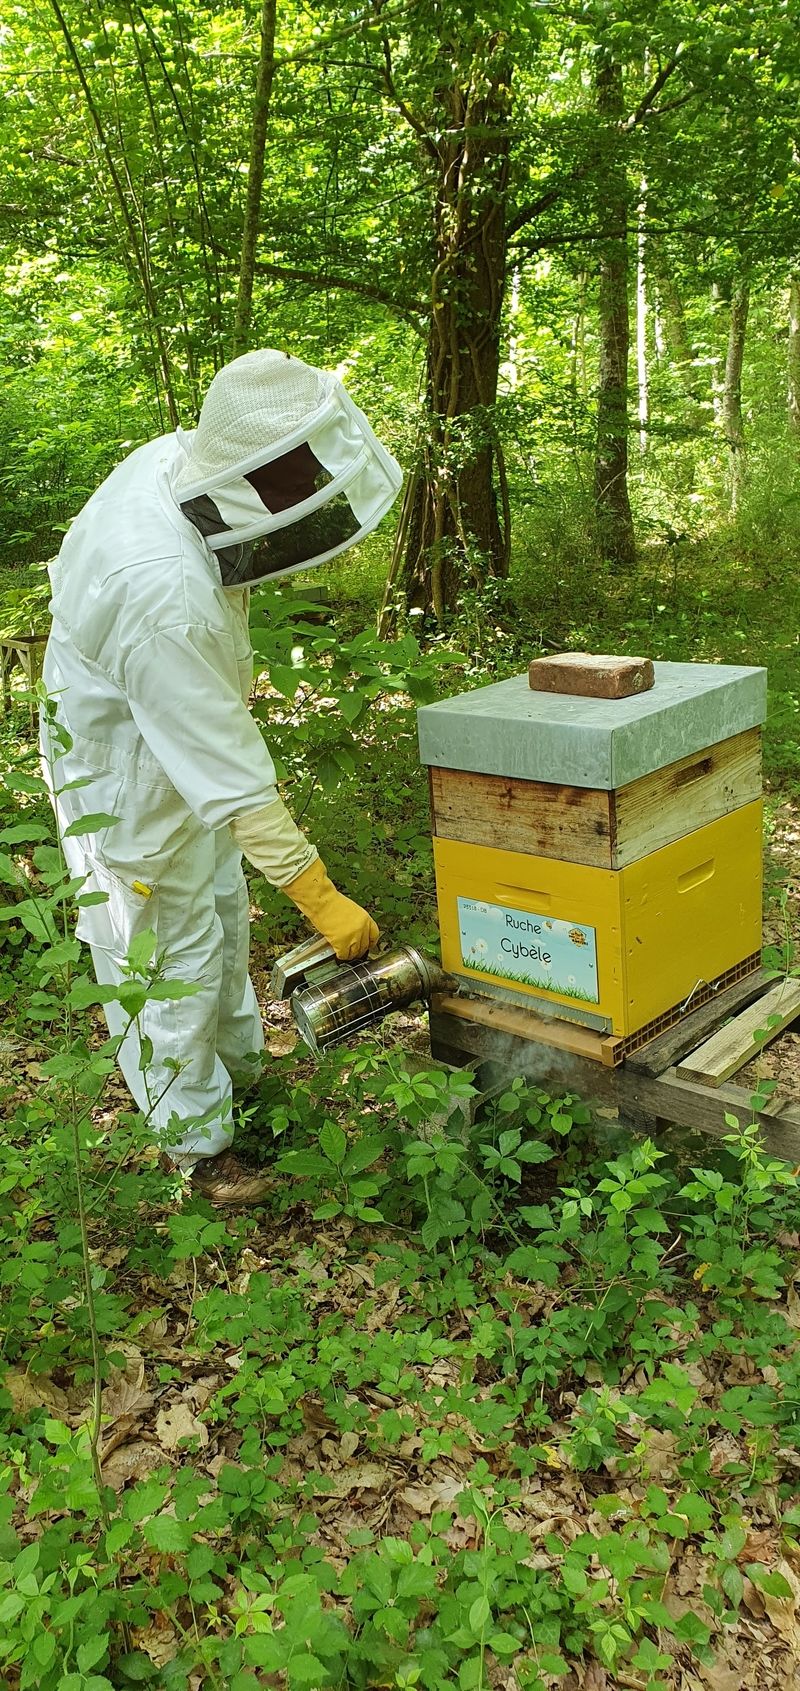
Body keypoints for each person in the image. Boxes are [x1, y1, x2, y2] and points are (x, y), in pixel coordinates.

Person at [40, 349, 402, 1205]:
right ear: (252, 475)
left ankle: (242, 1076)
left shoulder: (179, 459)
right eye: (296, 477)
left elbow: (217, 759)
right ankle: (196, 1149)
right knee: (170, 954)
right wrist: (319, 894)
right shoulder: (161, 591)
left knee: (223, 910)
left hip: (156, 712)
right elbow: (237, 785)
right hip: (121, 770)